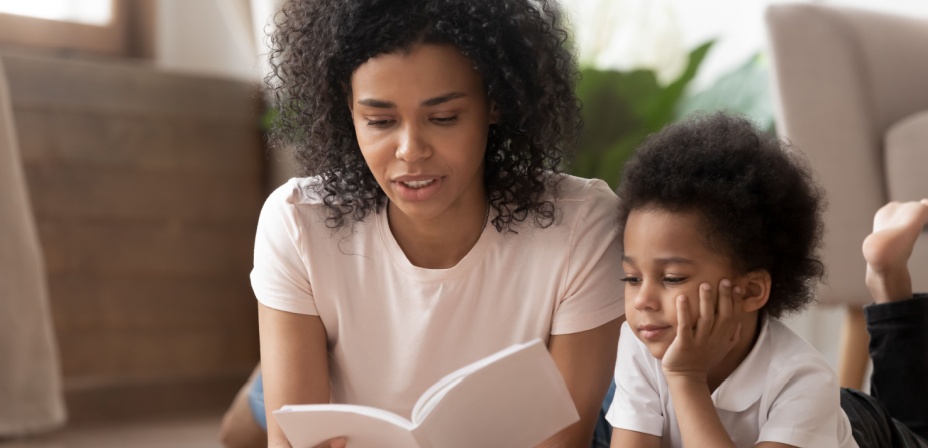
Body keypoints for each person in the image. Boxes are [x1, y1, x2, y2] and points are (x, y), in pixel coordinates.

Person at [218, 1, 625, 447]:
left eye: (444, 117)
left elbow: (561, 441)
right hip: (348, 363)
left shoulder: (583, 222)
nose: (411, 150)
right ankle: (290, 357)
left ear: (494, 101)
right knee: (238, 433)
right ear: (346, 107)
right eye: (379, 121)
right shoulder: (297, 220)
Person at [603, 112, 928, 447]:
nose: (643, 300)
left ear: (751, 291)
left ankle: (888, 280)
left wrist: (686, 377)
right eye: (632, 278)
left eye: (671, 278)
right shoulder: (642, 343)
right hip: (809, 426)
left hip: (861, 432)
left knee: (915, 432)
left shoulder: (802, 381)